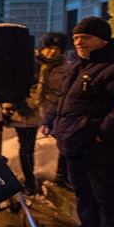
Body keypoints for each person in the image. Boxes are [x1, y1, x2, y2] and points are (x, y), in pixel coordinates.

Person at [43, 17, 114, 227]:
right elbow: (64, 97)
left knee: (108, 196)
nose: (79, 42)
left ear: (103, 39)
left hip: (101, 145)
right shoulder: (81, 64)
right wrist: (52, 120)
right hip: (76, 141)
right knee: (84, 191)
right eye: (76, 37)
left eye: (85, 37)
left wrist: (102, 134)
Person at [27, 33, 70, 189]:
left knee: (62, 142)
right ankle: (29, 180)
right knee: (27, 147)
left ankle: (61, 175)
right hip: (29, 109)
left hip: (53, 109)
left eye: (57, 49)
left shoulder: (66, 68)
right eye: (49, 48)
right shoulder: (31, 64)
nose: (52, 52)